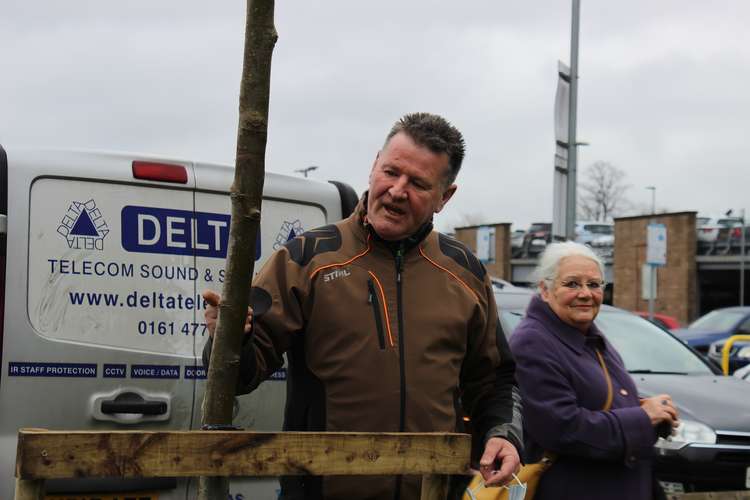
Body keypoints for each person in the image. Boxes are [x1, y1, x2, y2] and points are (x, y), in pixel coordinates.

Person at [202, 112, 523, 500]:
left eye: (418, 183)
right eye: (391, 172)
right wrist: (231, 337)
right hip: (321, 491)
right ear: (374, 164)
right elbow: (239, 376)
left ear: (445, 196)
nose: (397, 190)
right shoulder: (307, 259)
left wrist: (503, 435)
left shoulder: (465, 272)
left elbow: (494, 381)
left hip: (434, 491)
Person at [508, 241, 679, 500]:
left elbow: (597, 403)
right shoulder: (533, 343)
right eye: (572, 284)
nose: (586, 294)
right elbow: (563, 429)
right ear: (545, 290)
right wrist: (643, 418)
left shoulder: (589, 337)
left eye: (594, 284)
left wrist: (655, 414)